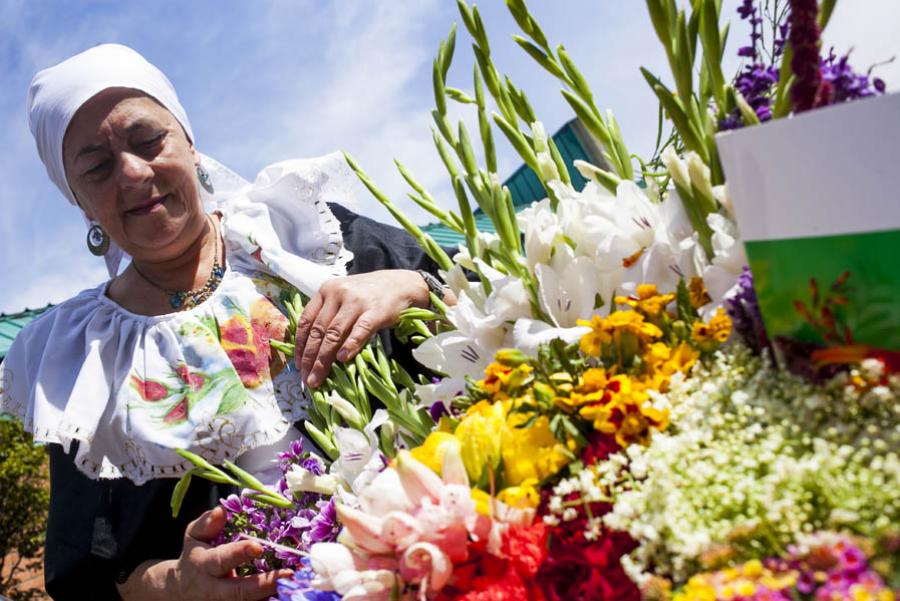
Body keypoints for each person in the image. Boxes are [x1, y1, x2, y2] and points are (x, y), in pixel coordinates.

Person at [0, 44, 451, 600]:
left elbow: (494, 307)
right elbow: (85, 576)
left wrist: (414, 287)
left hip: (432, 561)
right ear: (81, 203)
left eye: (148, 141)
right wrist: (176, 583)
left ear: (189, 143)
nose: (134, 173)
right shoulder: (80, 358)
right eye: (97, 166)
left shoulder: (303, 240)